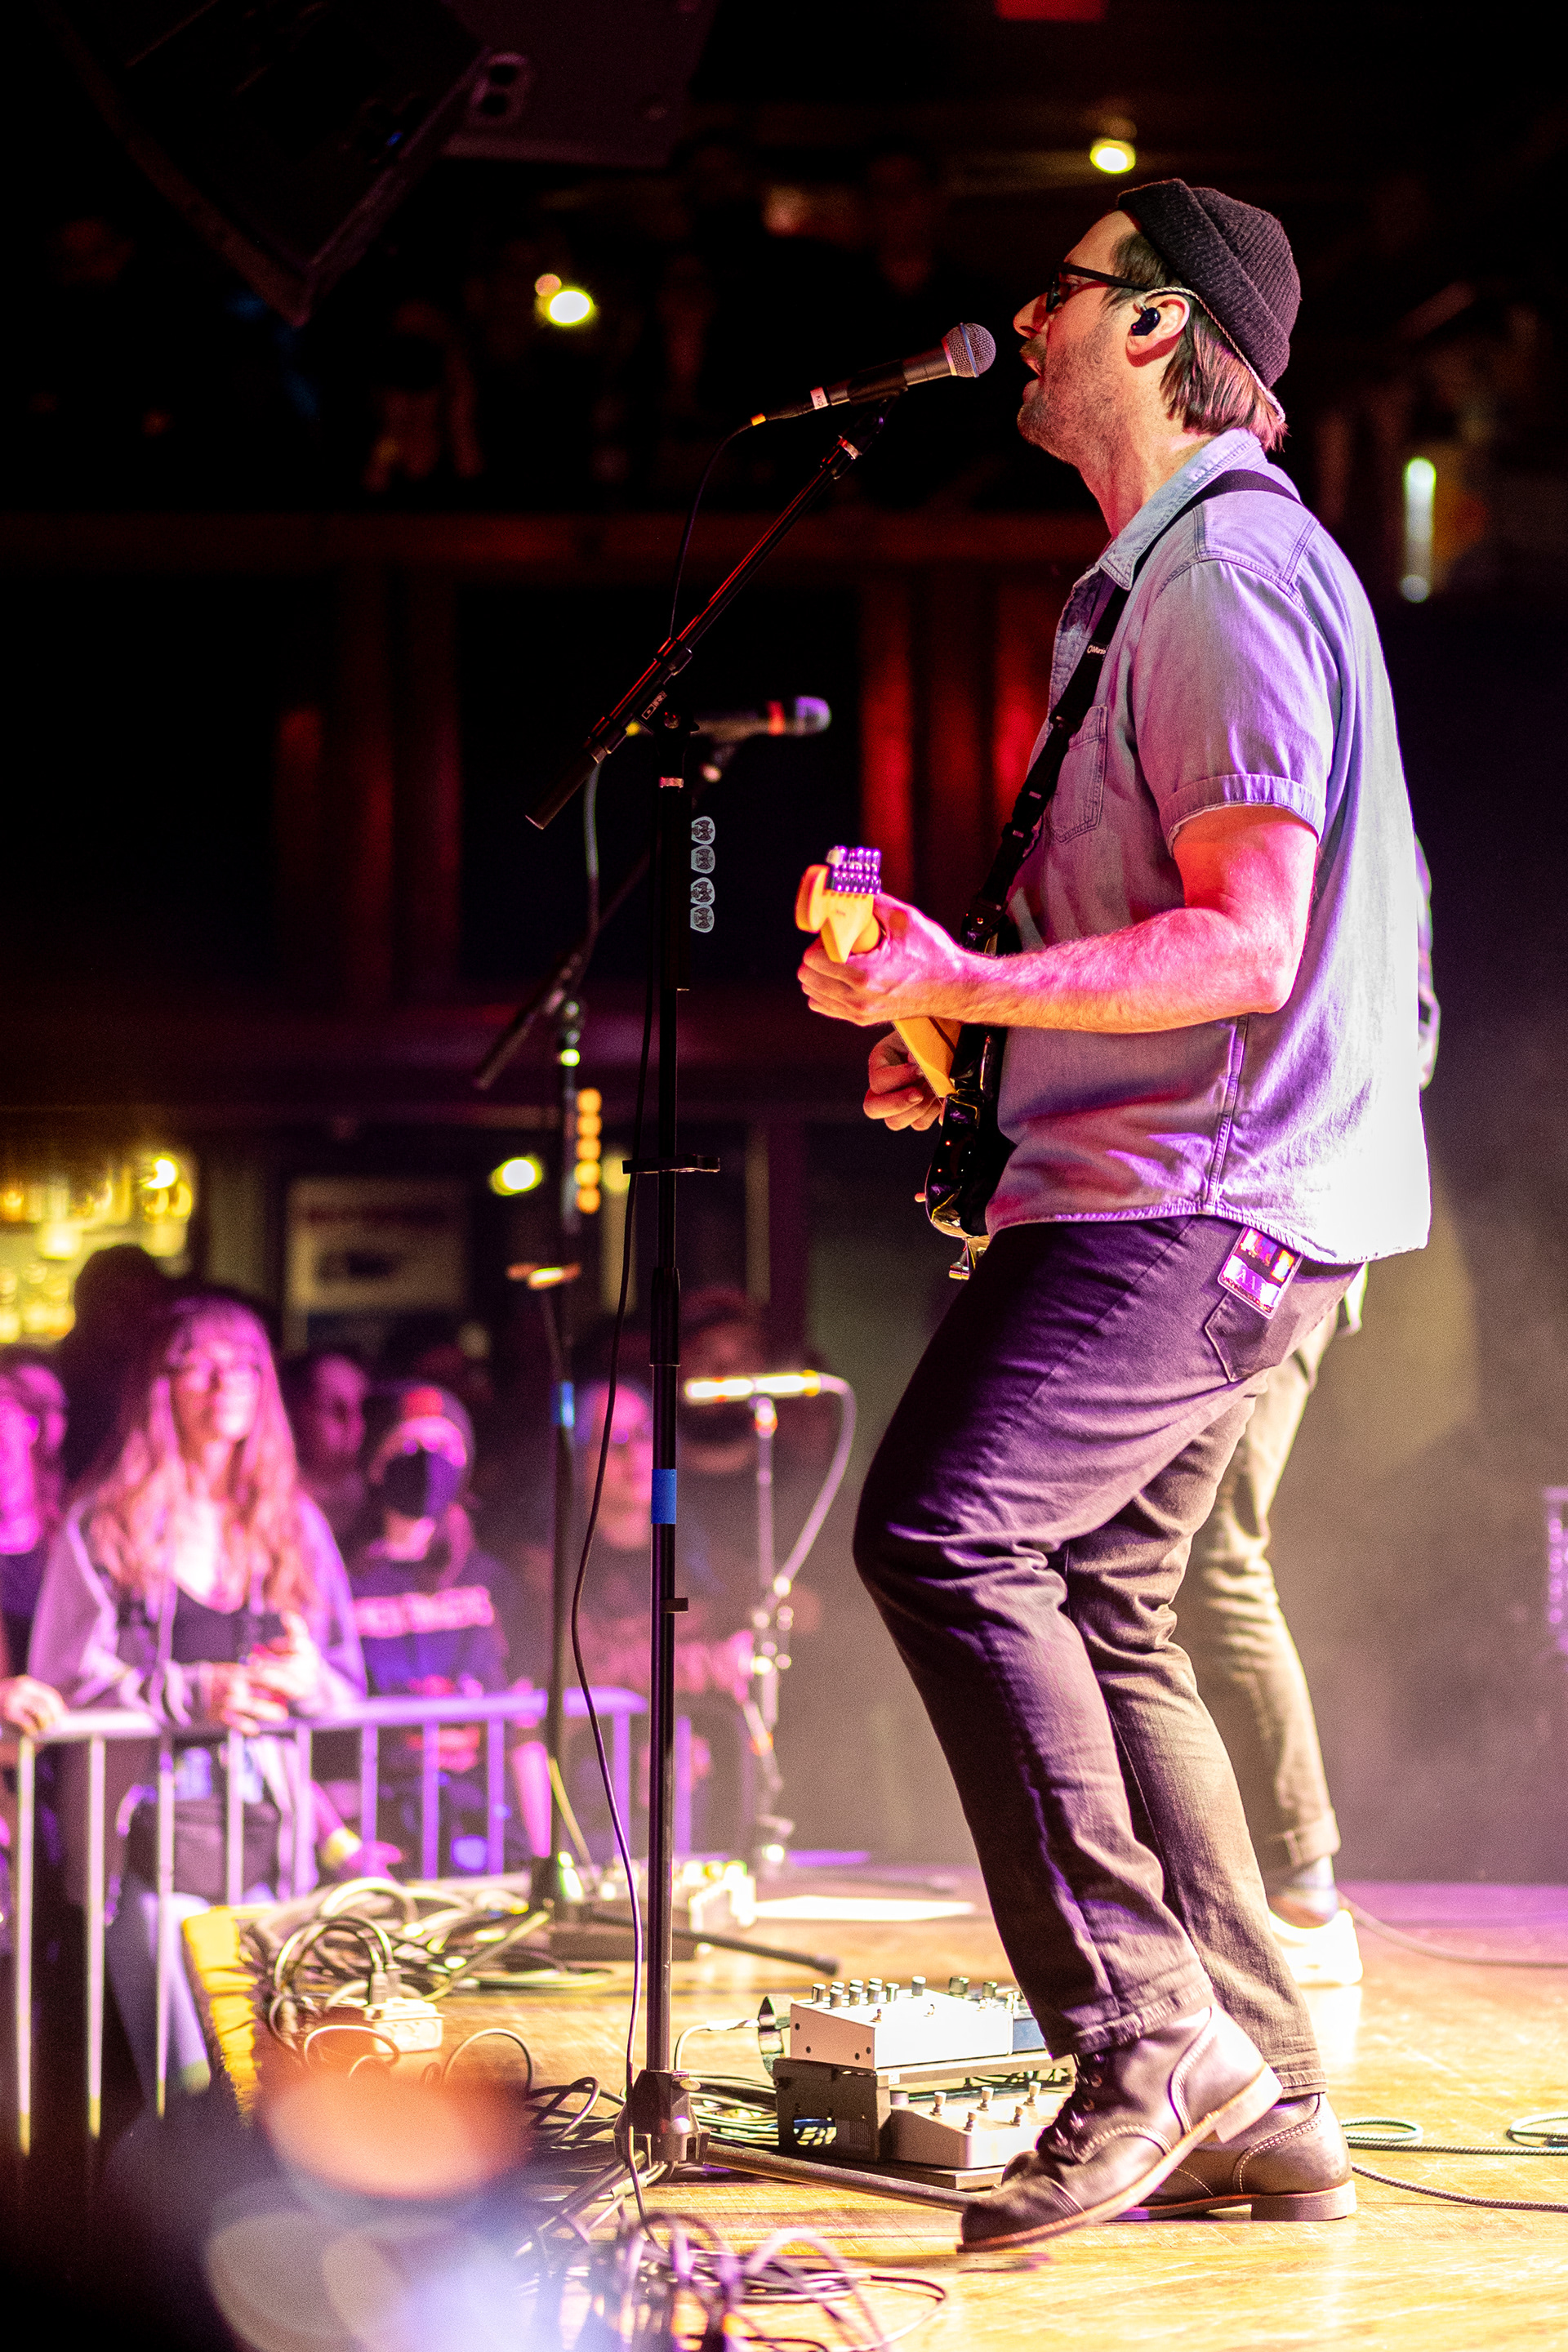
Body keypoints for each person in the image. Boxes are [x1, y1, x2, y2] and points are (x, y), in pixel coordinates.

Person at [799, 180, 1429, 2247]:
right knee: (1108, 1598)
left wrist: (964, 982)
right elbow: (1176, 938)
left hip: (1195, 1195)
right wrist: (969, 1039)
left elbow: (1247, 943)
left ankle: (1146, 2040)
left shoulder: (1225, 573)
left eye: (1057, 289)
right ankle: (1264, 2096)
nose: (1022, 314)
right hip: (1195, 1180)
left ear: (1156, 327)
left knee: (948, 1531)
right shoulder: (1165, 575)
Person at [1179, 846, 1440, 1977]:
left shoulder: (1331, 823)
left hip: (1279, 1233)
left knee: (1212, 1554)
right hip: (1275, 1226)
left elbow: (1389, 1039)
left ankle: (1302, 1894)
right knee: (1175, 1556)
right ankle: (1251, 1884)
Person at [29, 1291, 365, 2102]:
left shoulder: (290, 1522)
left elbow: (347, 1688)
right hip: (146, 1830)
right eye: (202, 1365)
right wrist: (191, 1693)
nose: (228, 1383)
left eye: (246, 1364)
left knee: (269, 2083)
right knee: (184, 2082)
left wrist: (306, 1682)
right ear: (161, 1386)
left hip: (269, 1833)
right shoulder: (107, 1522)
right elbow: (61, 1678)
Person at [336, 1387, 529, 1873]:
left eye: (444, 1447)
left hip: (483, 1819)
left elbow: (524, 1728)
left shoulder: (491, 1578)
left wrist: (544, 1848)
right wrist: (343, 1843)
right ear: (375, 1462)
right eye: (408, 1445)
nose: (426, 1462)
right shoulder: (340, 1580)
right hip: (380, 1821)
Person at [280, 1349, 370, 1542]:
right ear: (294, 1414)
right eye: (332, 1408)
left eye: (361, 1407)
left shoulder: (379, 1498)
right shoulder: (274, 1507)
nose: (354, 1423)